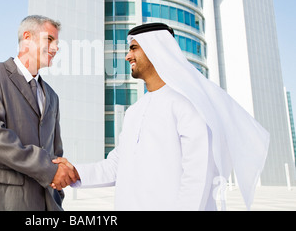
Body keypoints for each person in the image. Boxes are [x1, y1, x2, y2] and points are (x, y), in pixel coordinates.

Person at [53, 22, 269, 211]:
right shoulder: (134, 111)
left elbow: (198, 177)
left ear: (157, 51)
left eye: (134, 48)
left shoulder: (188, 104)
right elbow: (118, 166)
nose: (127, 56)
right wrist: (76, 172)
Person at [0, 15, 77, 211]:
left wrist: (57, 192)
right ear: (27, 37)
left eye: (57, 43)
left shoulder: (52, 96)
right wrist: (49, 169)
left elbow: (55, 151)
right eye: (50, 40)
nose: (55, 48)